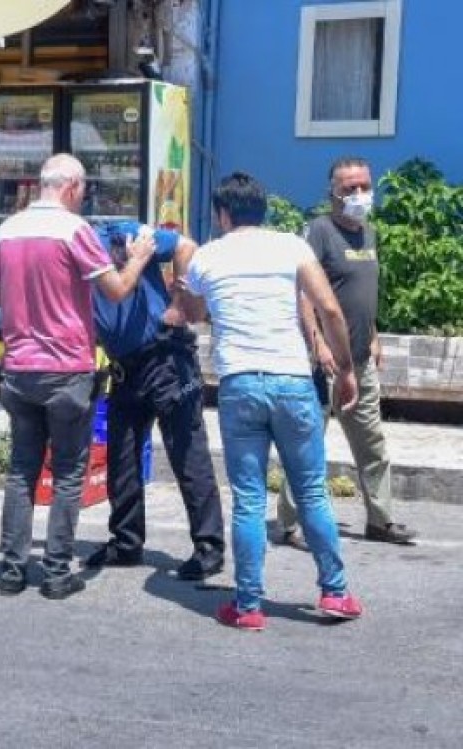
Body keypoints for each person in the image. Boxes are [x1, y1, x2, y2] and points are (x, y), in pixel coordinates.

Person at [182, 171, 364, 631]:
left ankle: (247, 606)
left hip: (240, 382)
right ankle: (336, 593)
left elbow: (192, 314)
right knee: (311, 492)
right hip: (291, 380)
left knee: (248, 498)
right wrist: (345, 369)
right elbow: (331, 309)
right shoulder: (292, 246)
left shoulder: (207, 255)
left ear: (223, 213)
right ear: (261, 209)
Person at [0, 153, 155, 600]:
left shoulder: (8, 229)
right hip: (67, 370)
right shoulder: (76, 231)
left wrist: (22, 292)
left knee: (21, 472)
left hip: (20, 368)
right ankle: (57, 572)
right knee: (69, 473)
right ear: (73, 188)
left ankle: (12, 570)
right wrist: (137, 258)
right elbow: (114, 289)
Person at [277, 157, 417, 549]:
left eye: (364, 186)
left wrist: (373, 336)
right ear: (332, 192)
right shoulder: (319, 231)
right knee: (307, 444)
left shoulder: (368, 233)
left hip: (359, 360)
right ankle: (289, 524)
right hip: (320, 364)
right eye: (349, 188)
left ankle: (380, 520)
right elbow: (303, 292)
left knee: (372, 444)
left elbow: (362, 293)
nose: (359, 195)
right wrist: (317, 343)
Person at [86, 221, 225, 580]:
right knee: (121, 456)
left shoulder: (118, 234)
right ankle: (126, 542)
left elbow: (186, 245)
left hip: (164, 356)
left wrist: (180, 304)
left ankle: (209, 547)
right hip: (123, 367)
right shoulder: (64, 256)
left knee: (187, 452)